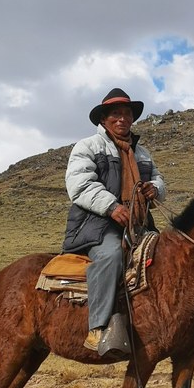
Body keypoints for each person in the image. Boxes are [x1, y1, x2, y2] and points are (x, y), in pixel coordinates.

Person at [62, 88, 165, 351]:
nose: (122, 119)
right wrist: (111, 207)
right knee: (111, 256)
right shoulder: (88, 146)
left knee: (170, 254)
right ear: (104, 119)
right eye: (115, 114)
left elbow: (158, 179)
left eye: (127, 114)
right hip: (98, 225)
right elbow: (79, 185)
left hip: (139, 224)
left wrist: (154, 189)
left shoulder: (142, 153)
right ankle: (98, 328)